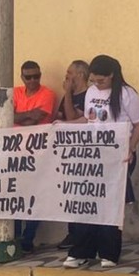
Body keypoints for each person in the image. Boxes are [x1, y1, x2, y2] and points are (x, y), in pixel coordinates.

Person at [62, 55, 139, 269]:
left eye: (101, 81)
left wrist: (131, 146)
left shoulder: (128, 94)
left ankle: (108, 251)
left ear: (112, 76)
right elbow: (90, 121)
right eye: (94, 81)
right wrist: (66, 125)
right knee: (85, 201)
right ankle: (81, 250)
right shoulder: (91, 92)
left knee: (110, 205)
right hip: (91, 154)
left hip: (117, 155)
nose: (97, 85)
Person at [13, 60, 57, 251]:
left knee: (34, 197)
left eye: (36, 76)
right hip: (13, 152)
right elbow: (5, 115)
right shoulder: (14, 92)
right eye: (28, 77)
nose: (33, 80)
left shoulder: (47, 93)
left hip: (38, 153)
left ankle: (27, 239)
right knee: (14, 195)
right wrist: (24, 116)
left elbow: (37, 118)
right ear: (22, 77)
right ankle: (14, 238)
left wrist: (17, 116)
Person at [55, 60, 90, 250]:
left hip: (84, 152)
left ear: (81, 75)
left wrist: (67, 93)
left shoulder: (88, 96)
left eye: (70, 73)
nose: (66, 76)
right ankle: (72, 231)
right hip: (68, 152)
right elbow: (61, 119)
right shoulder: (66, 97)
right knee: (70, 193)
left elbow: (71, 119)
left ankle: (82, 234)